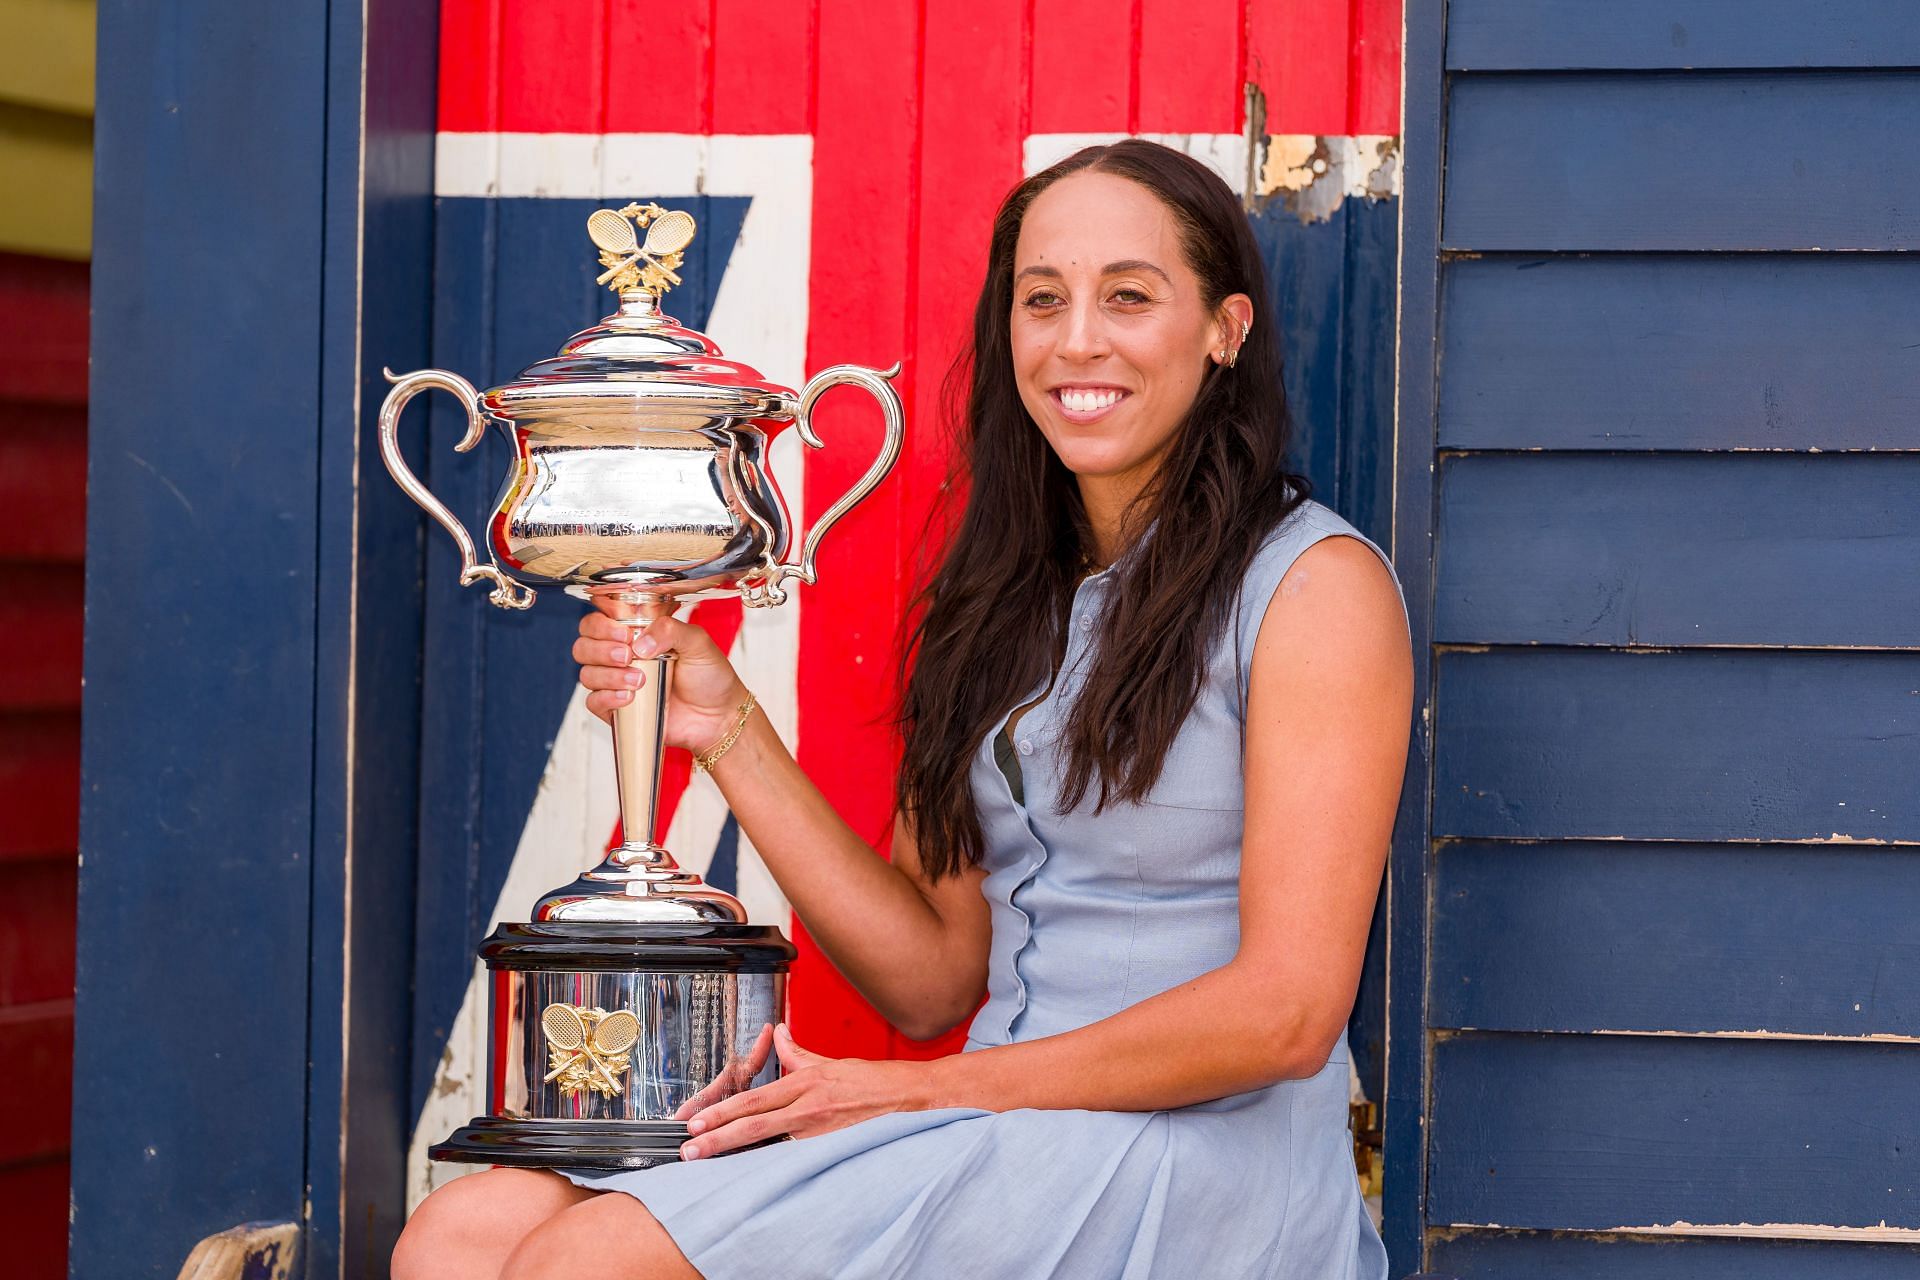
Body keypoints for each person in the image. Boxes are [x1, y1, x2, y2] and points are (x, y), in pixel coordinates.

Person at [392, 138, 1412, 1280]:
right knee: (462, 1237)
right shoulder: (1005, 599)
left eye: (1129, 296)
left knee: (589, 1261)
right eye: (1043, 299)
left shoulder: (1317, 587)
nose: (1079, 338)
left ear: (1224, 329)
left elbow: (1286, 1011)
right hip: (1000, 1124)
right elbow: (930, 977)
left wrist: (916, 1091)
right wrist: (727, 730)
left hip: (1203, 1156)